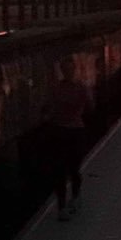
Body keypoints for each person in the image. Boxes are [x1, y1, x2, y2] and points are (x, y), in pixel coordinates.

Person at [45, 78, 91, 221]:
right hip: (71, 131)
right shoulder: (79, 87)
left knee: (65, 169)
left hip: (63, 131)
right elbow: (90, 105)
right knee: (71, 169)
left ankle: (66, 204)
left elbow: (49, 110)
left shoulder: (57, 88)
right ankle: (69, 202)